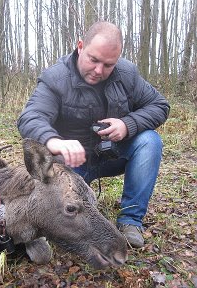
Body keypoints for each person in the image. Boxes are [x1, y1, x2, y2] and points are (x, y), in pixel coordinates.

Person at [17, 21, 170, 248]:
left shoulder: (127, 74)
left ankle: (130, 220)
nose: (99, 71)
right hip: (70, 166)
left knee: (149, 141)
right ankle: (47, 226)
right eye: (93, 60)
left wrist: (128, 124)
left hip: (111, 156)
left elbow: (159, 105)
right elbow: (30, 117)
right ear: (80, 46)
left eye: (108, 64)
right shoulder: (55, 78)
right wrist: (55, 141)